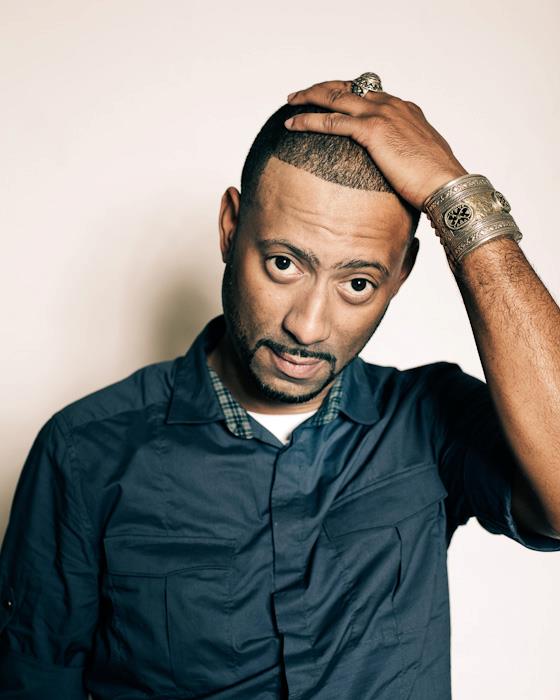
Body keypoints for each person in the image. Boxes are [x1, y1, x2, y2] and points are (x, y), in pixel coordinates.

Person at [1, 73, 559, 700]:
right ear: (229, 227)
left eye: (357, 284)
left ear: (401, 274)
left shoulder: (430, 421)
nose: (308, 326)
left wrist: (456, 199)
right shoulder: (84, 452)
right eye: (284, 264)